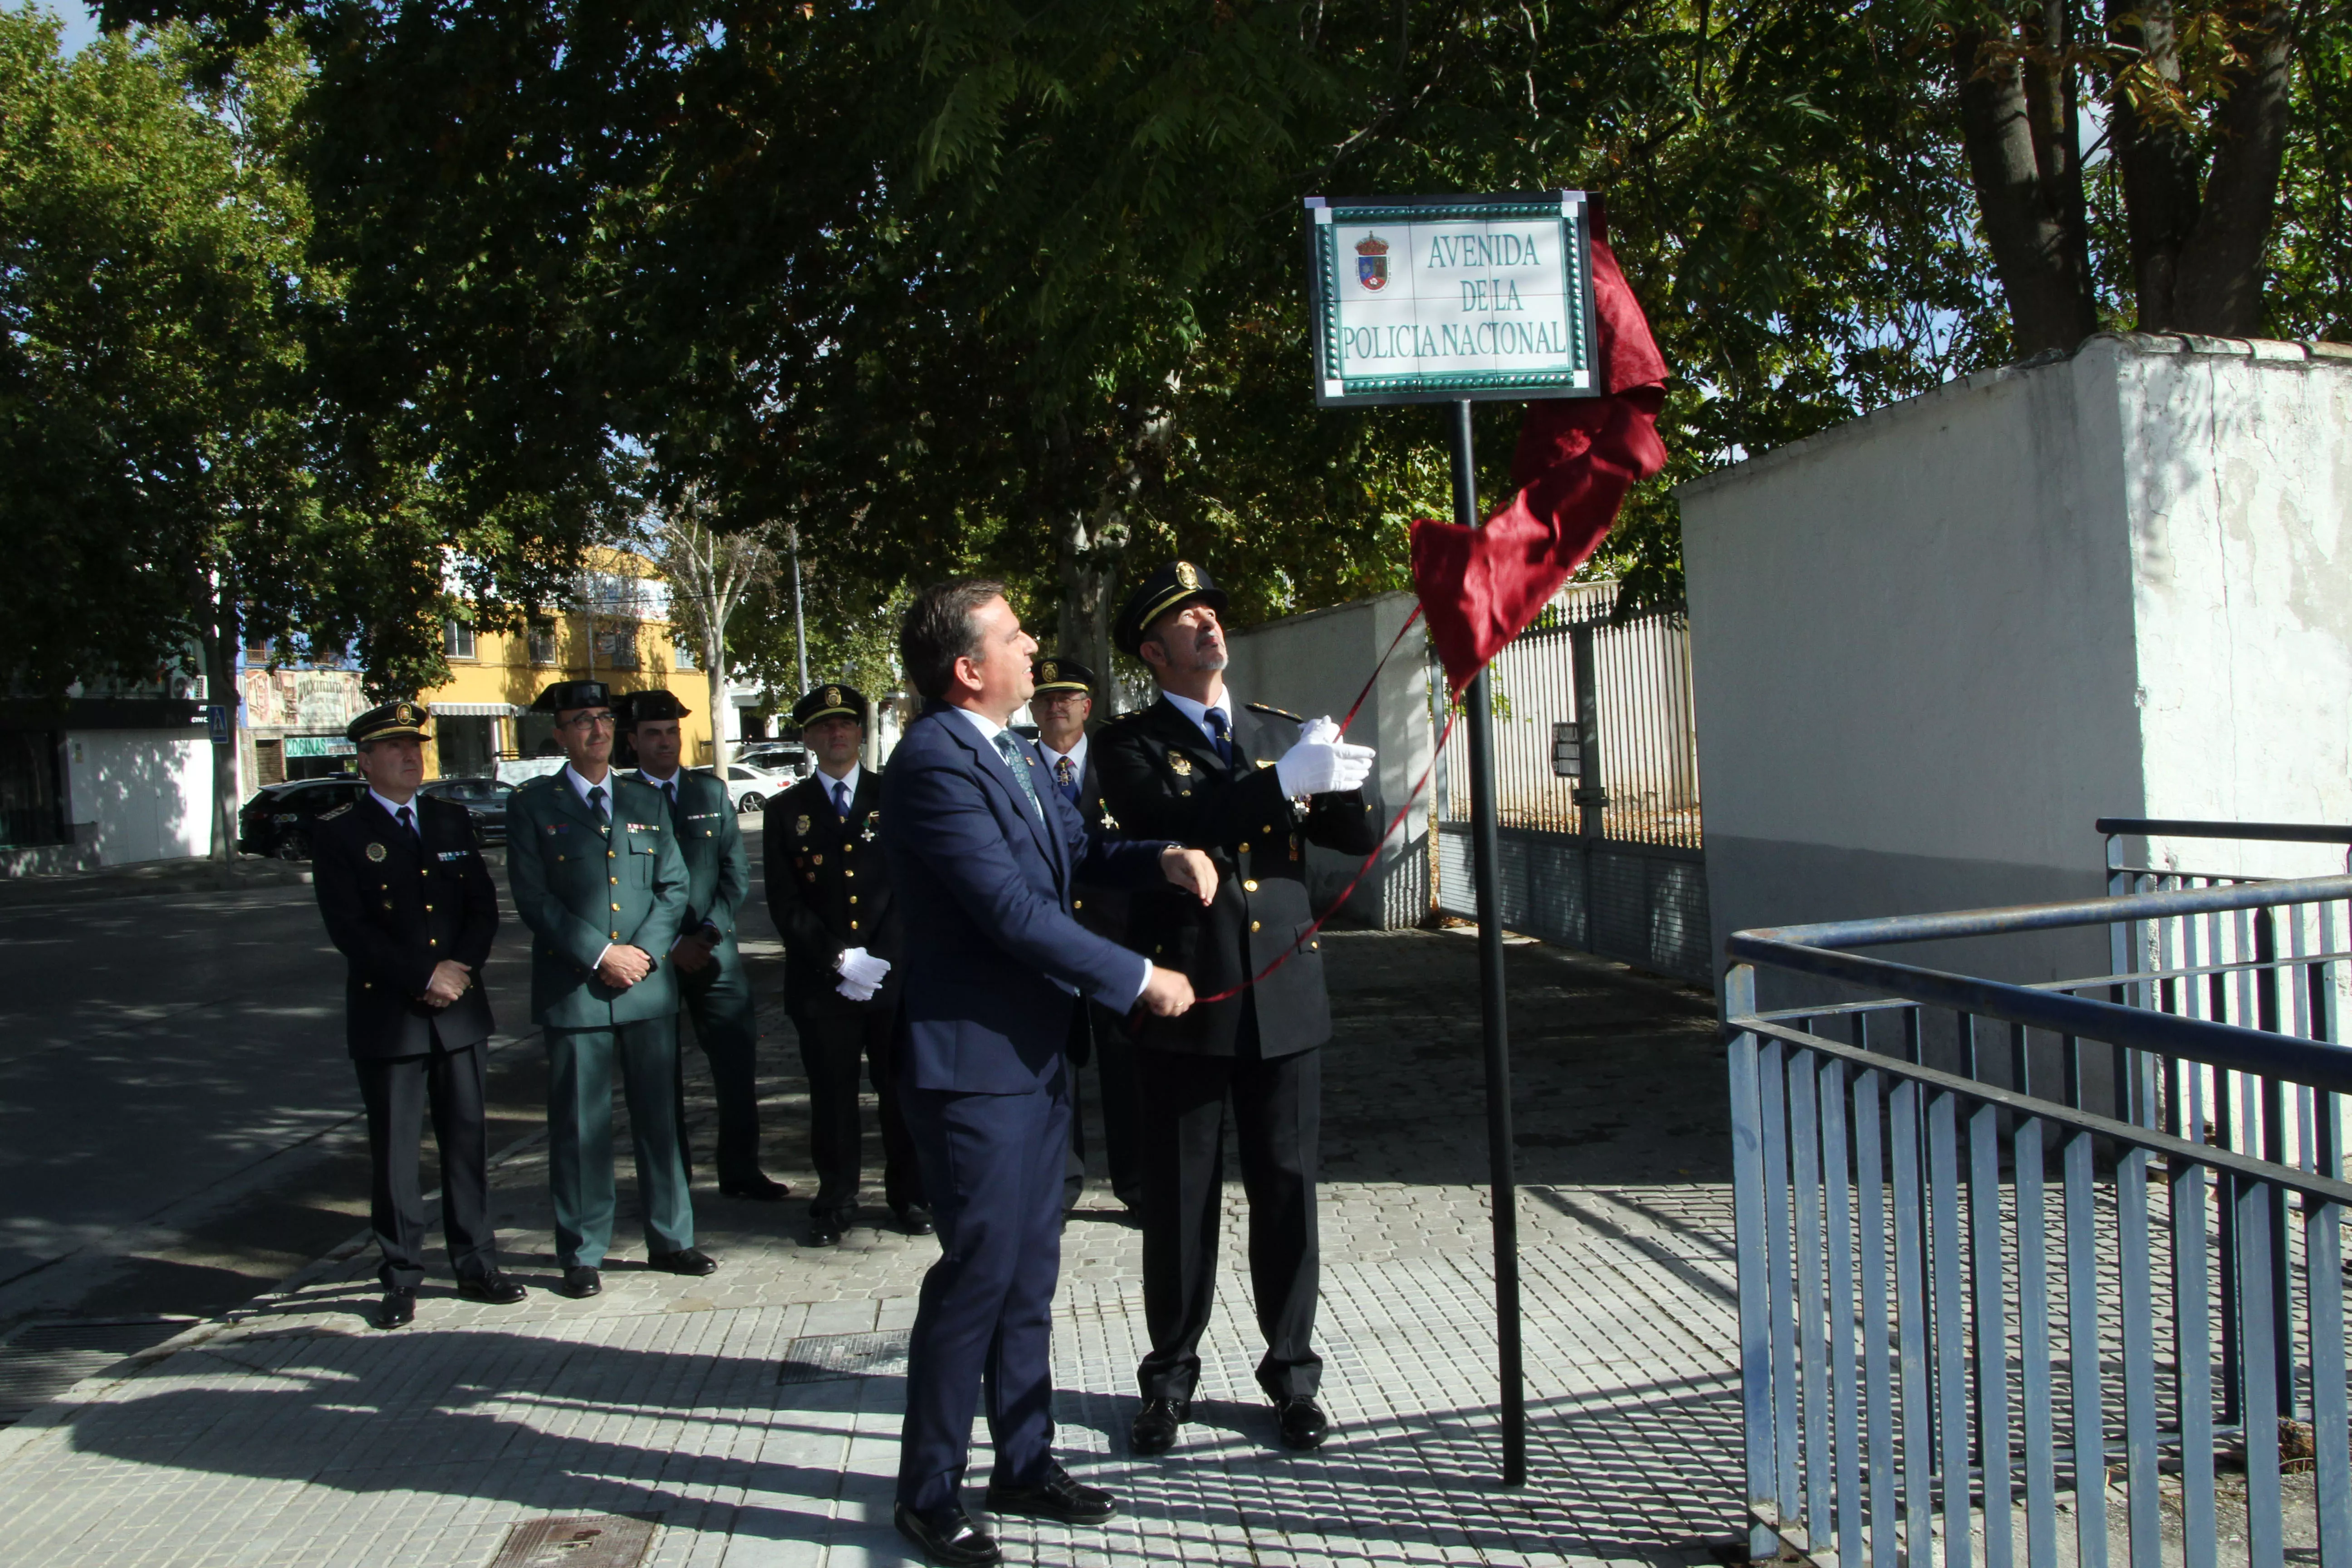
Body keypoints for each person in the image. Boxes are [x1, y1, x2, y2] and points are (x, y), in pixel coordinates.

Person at [883, 578, 1215, 1568]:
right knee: (977, 1275)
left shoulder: (1020, 755)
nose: (1034, 647)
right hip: (972, 1068)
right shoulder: (934, 763)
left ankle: (1023, 1460)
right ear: (967, 669)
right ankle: (928, 1489)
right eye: (1016, 635)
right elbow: (1012, 913)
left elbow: (1082, 854)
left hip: (1031, 1059)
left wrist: (1158, 858)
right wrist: (1136, 977)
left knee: (1030, 1272)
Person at [1094, 559, 1379, 1457]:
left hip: (1286, 996)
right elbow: (1176, 813)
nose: (1209, 624)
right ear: (1153, 649)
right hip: (1192, 996)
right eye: (1187, 617)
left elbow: (1356, 838)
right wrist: (1282, 782)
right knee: (1181, 1204)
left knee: (1288, 1196)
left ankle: (1292, 1377)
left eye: (1213, 609)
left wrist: (1336, 777)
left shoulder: (1271, 730)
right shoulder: (1128, 742)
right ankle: (1168, 1381)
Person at [311, 701, 528, 1330]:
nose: (412, 756)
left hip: (460, 1010)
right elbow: (348, 928)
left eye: (416, 746)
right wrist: (422, 975)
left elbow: (483, 908)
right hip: (392, 1014)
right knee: (397, 1152)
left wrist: (458, 968)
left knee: (468, 1143)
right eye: (395, 748)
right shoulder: (341, 831)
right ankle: (402, 1275)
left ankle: (476, 1262)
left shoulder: (450, 820)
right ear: (366, 761)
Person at [506, 679, 717, 1299]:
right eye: (581, 721)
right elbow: (533, 899)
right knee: (580, 1127)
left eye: (603, 719)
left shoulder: (644, 801)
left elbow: (673, 888)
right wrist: (601, 954)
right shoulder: (533, 805)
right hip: (576, 990)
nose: (596, 730)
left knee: (661, 1119)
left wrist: (642, 955)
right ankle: (581, 1250)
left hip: (646, 988)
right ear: (560, 734)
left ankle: (672, 1238)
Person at [762, 682, 928, 1247]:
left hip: (894, 977)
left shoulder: (897, 796)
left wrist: (878, 960)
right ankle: (836, 1199)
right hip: (822, 980)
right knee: (831, 1098)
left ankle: (911, 1195)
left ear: (861, 732)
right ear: (808, 738)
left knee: (901, 1092)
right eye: (824, 727)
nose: (837, 735)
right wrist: (839, 958)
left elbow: (915, 886)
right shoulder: (786, 811)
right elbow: (784, 901)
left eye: (846, 725)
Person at [619, 688, 788, 1201]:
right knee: (657, 1078)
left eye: (672, 732)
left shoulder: (710, 794)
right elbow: (622, 891)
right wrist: (669, 944)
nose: (666, 742)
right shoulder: (621, 799)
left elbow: (735, 876)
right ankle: (672, 1184)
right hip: (652, 961)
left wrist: (708, 934)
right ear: (633, 741)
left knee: (737, 1067)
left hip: (716, 954)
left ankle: (741, 1171)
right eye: (653, 734)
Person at [1029, 657, 1143, 1216]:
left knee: (1126, 1070)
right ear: (1032, 708)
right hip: (1046, 948)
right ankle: (1061, 1189)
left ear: (1087, 707)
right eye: (1047, 697)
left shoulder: (1119, 765)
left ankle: (1138, 1187)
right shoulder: (1016, 768)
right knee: (1057, 1076)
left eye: (1069, 697)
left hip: (1116, 942)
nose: (1058, 706)